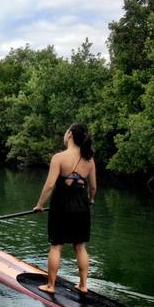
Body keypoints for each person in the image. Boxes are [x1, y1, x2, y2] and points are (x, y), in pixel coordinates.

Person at [33, 123, 97, 294]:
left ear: (69, 135)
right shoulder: (90, 160)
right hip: (82, 208)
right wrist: (90, 200)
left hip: (61, 208)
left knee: (56, 246)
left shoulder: (59, 158)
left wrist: (40, 205)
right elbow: (93, 188)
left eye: (66, 131)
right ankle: (83, 285)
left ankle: (51, 286)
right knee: (80, 247)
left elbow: (49, 186)